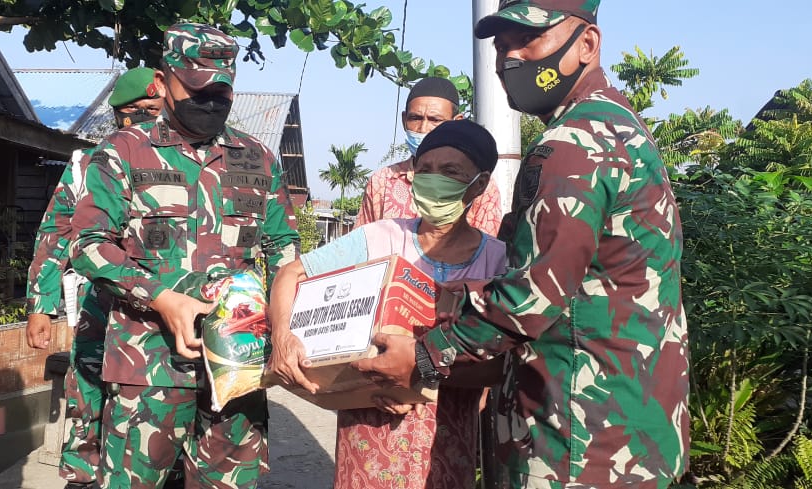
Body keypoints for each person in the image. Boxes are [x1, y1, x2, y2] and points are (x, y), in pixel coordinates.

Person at [352, 1, 690, 488]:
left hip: (578, 435)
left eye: (527, 40)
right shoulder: (618, 126)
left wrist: (423, 357)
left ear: (587, 45)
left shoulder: (573, 144)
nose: (508, 58)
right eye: (500, 44)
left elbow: (529, 298)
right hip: (630, 423)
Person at [68, 22, 300, 489]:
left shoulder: (255, 158)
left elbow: (285, 251)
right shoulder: (123, 153)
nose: (210, 100)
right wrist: (160, 298)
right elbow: (89, 245)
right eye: (197, 87)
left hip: (237, 370)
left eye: (222, 90)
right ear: (164, 81)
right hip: (148, 368)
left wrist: (286, 326)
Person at [270, 120, 507, 489]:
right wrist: (282, 336)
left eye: (450, 172)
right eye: (424, 170)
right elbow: (290, 275)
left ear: (479, 184)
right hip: (367, 435)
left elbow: (502, 366)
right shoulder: (380, 237)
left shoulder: (498, 262)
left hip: (446, 445)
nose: (433, 180)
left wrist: (420, 372)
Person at [25, 66, 165, 489]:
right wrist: (41, 305)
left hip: (161, 311)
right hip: (100, 307)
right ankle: (83, 476)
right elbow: (56, 231)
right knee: (88, 392)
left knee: (155, 408)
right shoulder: (89, 164)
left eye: (155, 110)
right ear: (120, 116)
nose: (147, 119)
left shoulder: (188, 162)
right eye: (137, 112)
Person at [356, 77, 503, 236]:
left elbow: (486, 251)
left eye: (435, 120)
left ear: (457, 122)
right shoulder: (382, 182)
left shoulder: (476, 184)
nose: (423, 128)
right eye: (415, 118)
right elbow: (361, 247)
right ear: (404, 120)